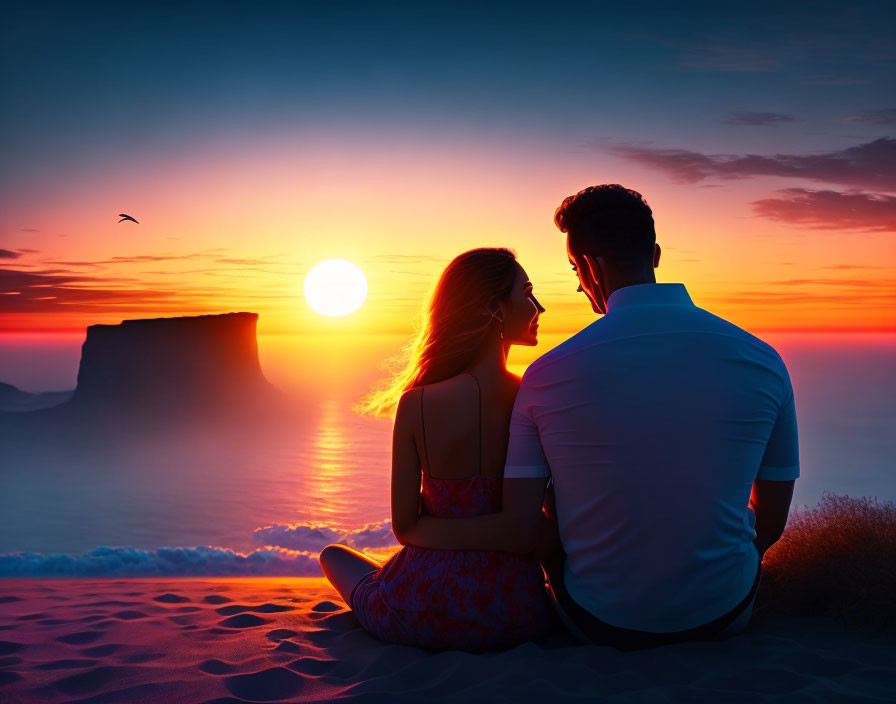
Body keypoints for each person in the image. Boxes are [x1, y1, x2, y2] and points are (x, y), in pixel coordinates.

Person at [389, 184, 799, 650]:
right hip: (726, 614)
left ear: (590, 266)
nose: (578, 285)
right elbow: (769, 524)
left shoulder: (547, 376)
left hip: (599, 620)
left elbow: (525, 523)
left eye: (574, 271)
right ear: (656, 254)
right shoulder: (763, 361)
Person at [319, 247, 555, 652]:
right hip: (516, 609)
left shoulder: (417, 404)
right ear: (494, 309)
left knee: (332, 556)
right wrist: (510, 533)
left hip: (424, 607)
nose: (540, 306)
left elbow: (406, 527)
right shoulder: (538, 397)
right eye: (528, 292)